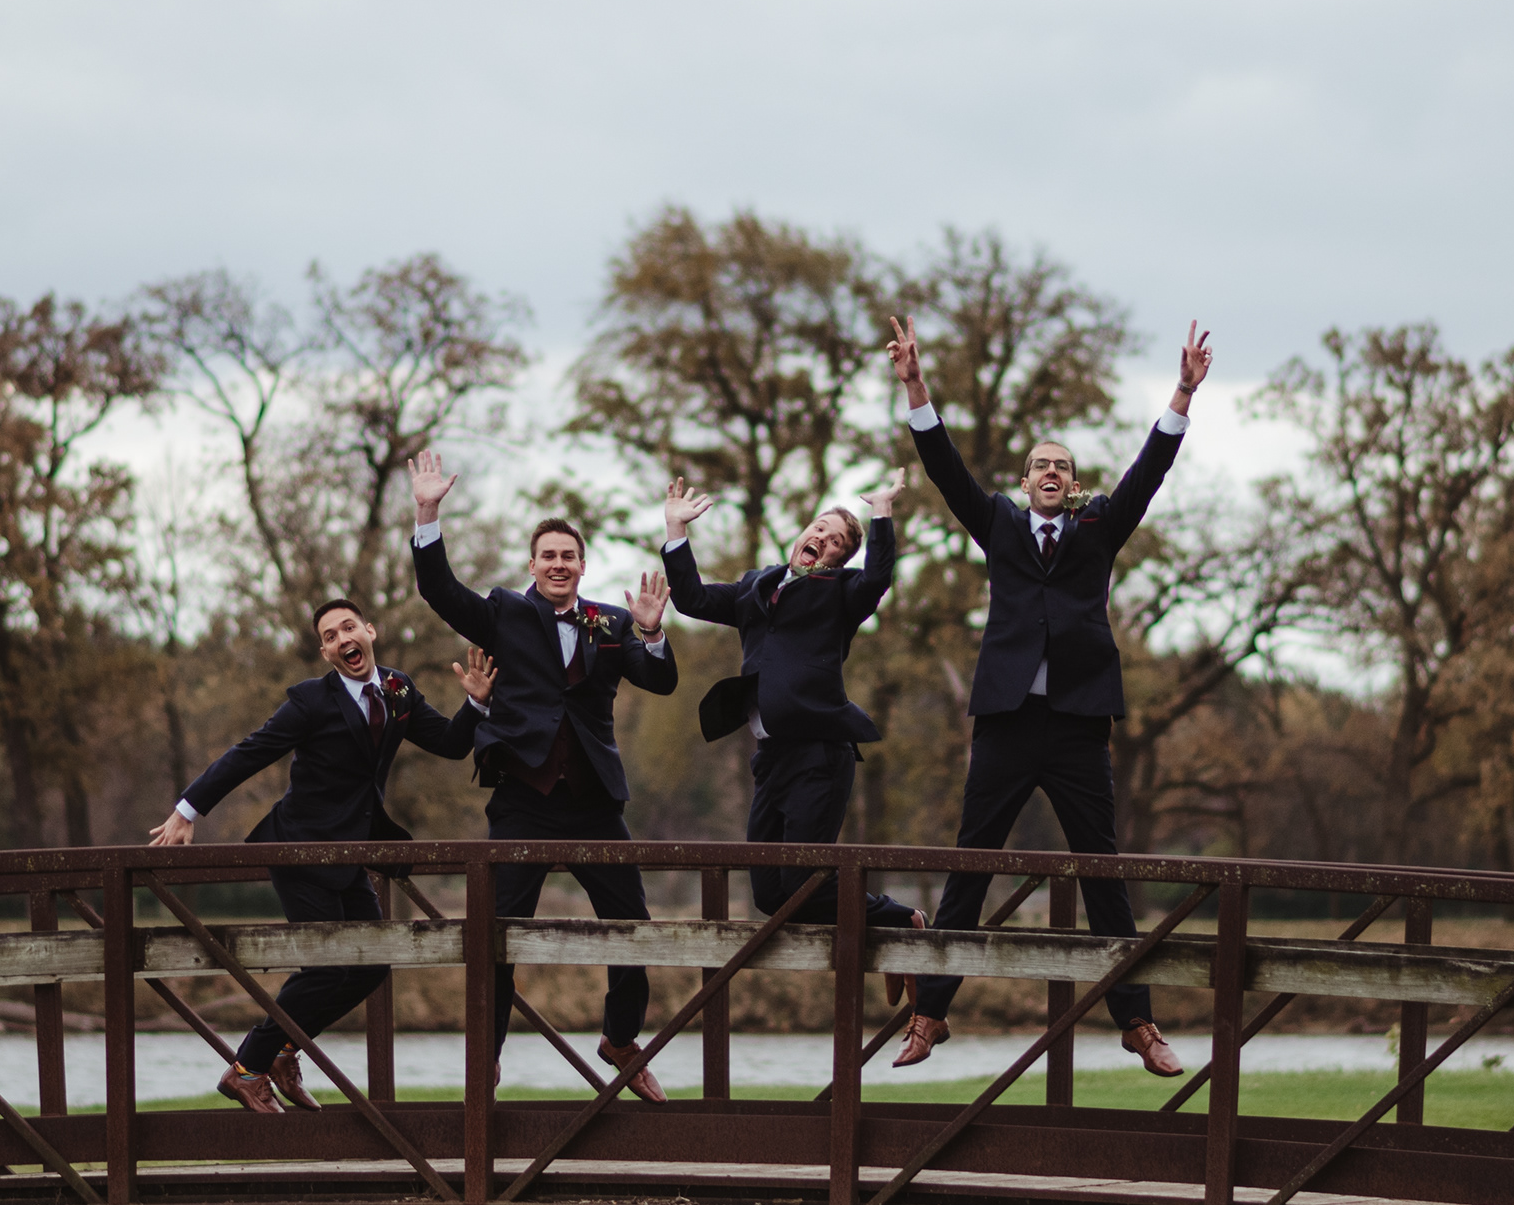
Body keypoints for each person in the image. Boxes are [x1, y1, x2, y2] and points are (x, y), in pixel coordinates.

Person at [884, 313, 1214, 1076]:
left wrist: (1183, 393)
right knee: (971, 862)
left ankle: (1138, 1023)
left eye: (1062, 465)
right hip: (1005, 720)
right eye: (1040, 465)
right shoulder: (998, 523)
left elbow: (1149, 472)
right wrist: (915, 384)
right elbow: (945, 468)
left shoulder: (1098, 528)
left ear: (1073, 482)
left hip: (1077, 723)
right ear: (1026, 479)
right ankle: (930, 1015)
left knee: (1103, 869)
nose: (1051, 472)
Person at [406, 450, 681, 1097]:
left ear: (583, 565)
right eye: (548, 556)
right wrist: (427, 512)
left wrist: (651, 634)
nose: (559, 564)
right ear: (532, 565)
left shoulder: (611, 623)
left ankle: (620, 1037)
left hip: (595, 800)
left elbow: (661, 681)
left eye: (569, 556)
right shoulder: (504, 611)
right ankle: (487, 1054)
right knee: (497, 934)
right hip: (522, 798)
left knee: (633, 928)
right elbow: (439, 590)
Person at [150, 603, 495, 1112]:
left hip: (351, 851)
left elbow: (448, 743)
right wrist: (187, 810)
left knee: (372, 964)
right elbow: (251, 751)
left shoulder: (398, 689)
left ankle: (283, 1052)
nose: (342, 639)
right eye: (330, 636)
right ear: (326, 652)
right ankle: (246, 1070)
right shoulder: (310, 700)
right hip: (300, 848)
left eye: (349, 627)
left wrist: (476, 705)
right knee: (328, 969)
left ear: (369, 631)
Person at [661, 475, 917, 945]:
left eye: (836, 541)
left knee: (804, 881)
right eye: (819, 528)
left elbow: (878, 577)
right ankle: (884, 929)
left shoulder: (841, 592)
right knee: (769, 893)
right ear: (802, 533)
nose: (823, 539)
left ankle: (901, 920)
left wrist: (882, 511)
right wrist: (676, 530)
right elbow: (692, 599)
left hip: (820, 755)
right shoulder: (754, 586)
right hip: (771, 759)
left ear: (839, 559)